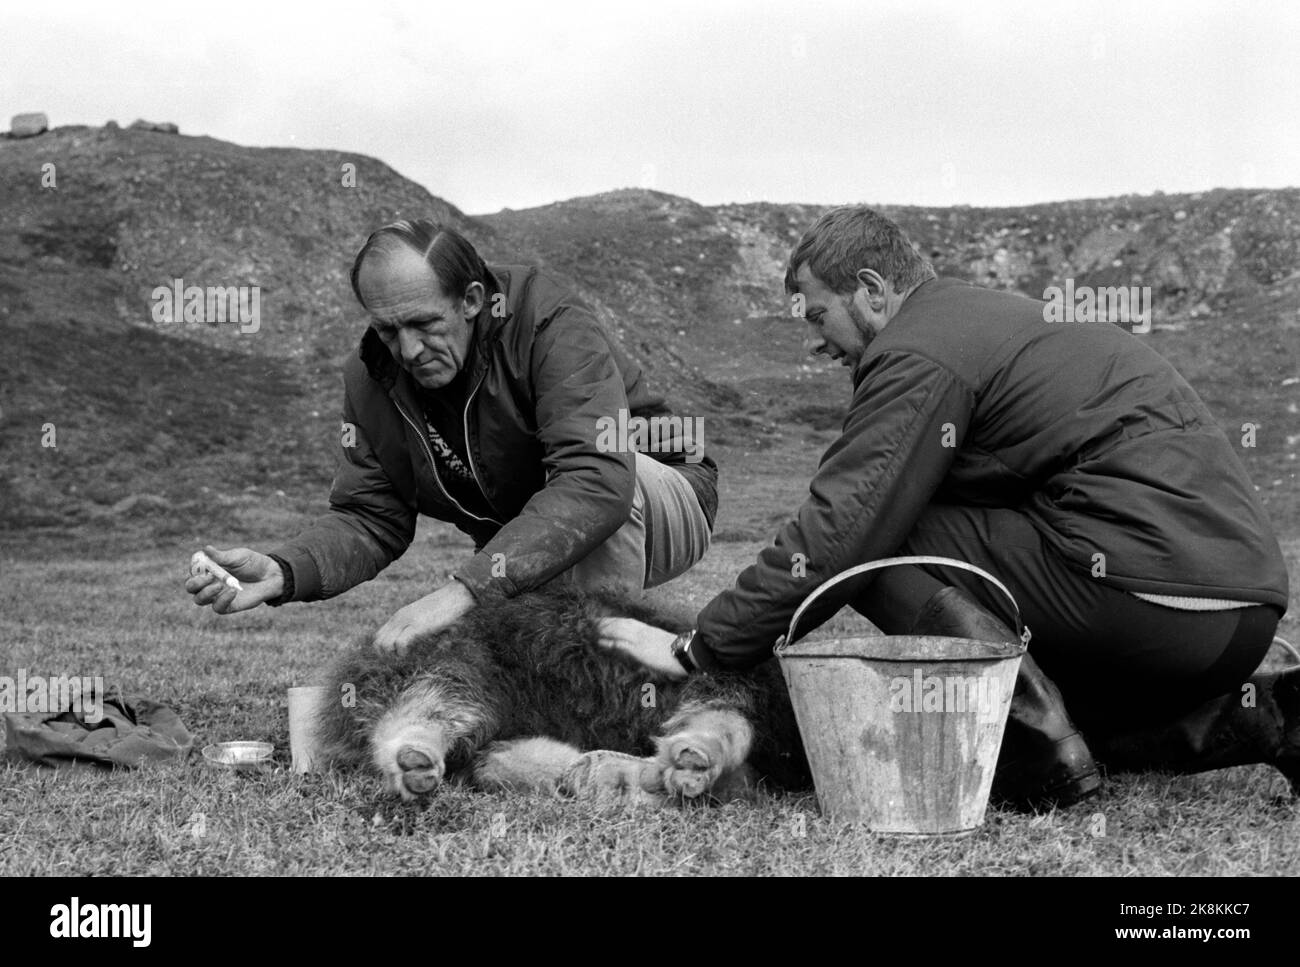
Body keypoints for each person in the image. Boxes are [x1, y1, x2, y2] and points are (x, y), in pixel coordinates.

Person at [604, 205, 1293, 810]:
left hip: (1148, 592)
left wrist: (702, 647)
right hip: (1234, 615)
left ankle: (1036, 753)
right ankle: (1266, 713)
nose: (816, 343)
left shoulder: (918, 350)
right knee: (999, 624)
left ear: (872, 291)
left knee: (883, 544)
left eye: (819, 315)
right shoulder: (987, 321)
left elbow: (842, 527)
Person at [186, 220, 717, 654]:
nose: (409, 350)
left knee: (600, 482)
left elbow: (595, 481)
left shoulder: (549, 323)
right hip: (527, 530)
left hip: (660, 497)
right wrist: (282, 570)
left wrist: (465, 589)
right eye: (388, 330)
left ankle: (615, 688)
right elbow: (371, 515)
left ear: (471, 300)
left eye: (424, 324)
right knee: (517, 646)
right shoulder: (372, 375)